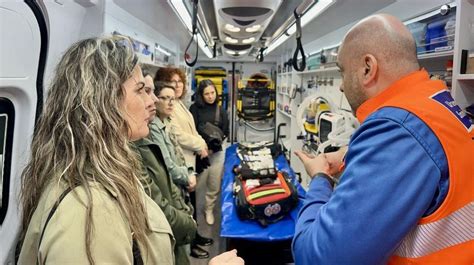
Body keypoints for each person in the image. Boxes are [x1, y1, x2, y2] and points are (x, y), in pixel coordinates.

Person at [292, 14, 473, 265]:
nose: (342, 87)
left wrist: (320, 178)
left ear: (368, 67)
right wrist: (348, 153)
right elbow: (429, 151)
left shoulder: (397, 128)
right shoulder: (436, 103)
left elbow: (318, 257)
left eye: (343, 72)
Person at [18, 35, 175, 264]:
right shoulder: (89, 212)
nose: (150, 101)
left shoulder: (104, 174)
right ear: (105, 101)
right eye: (140, 90)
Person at [134, 71, 197, 265]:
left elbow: (169, 178)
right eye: (143, 91)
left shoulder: (162, 124)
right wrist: (189, 223)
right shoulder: (144, 138)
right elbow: (159, 195)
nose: (152, 100)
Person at [155, 67, 213, 259]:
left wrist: (201, 142)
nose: (178, 86)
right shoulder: (162, 118)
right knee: (187, 206)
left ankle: (196, 237)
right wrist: (199, 144)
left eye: (180, 82)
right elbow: (178, 135)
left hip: (188, 162)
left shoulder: (179, 104)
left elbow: (192, 129)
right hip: (183, 163)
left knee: (193, 204)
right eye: (173, 83)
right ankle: (192, 242)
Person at [189, 79, 229, 225]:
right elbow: (191, 130)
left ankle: (209, 210)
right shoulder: (194, 109)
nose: (210, 96)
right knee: (198, 184)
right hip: (199, 153)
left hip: (217, 154)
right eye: (207, 94)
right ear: (201, 95)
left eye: (212, 93)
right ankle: (194, 212)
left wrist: (213, 148)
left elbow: (226, 131)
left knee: (214, 184)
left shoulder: (221, 110)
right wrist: (202, 148)